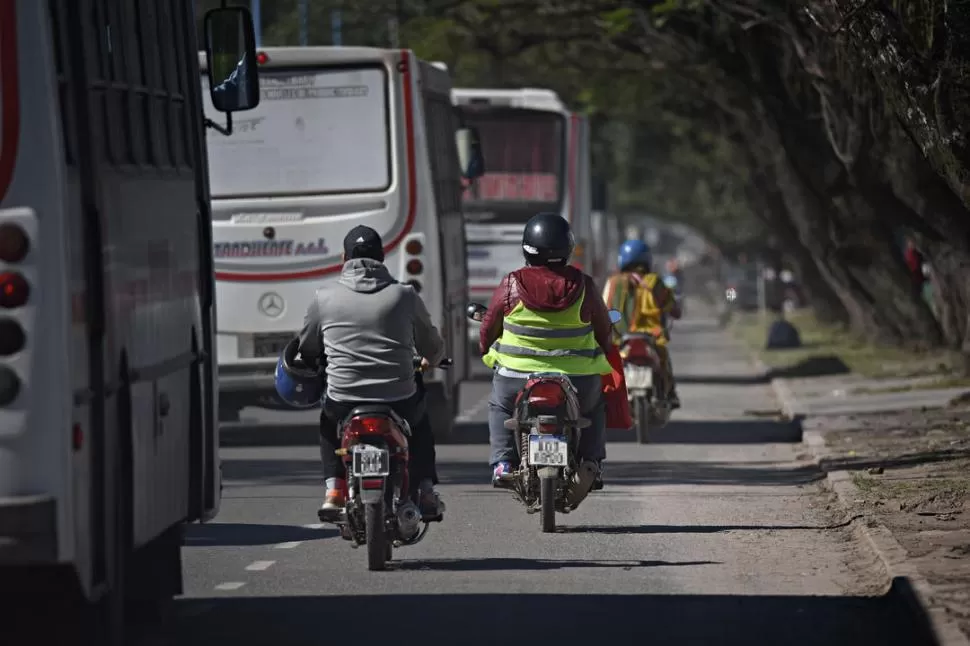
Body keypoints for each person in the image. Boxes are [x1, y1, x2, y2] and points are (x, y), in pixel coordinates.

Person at [297, 225, 446, 523]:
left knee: (328, 425)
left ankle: (334, 491)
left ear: (344, 257)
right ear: (381, 258)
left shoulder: (323, 297)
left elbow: (307, 346)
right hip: (398, 396)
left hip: (344, 397)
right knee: (420, 426)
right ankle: (427, 491)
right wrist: (433, 359)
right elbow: (431, 344)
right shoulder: (404, 295)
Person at [478, 212, 614, 492]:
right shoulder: (584, 285)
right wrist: (606, 348)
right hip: (577, 379)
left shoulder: (511, 284)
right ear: (567, 248)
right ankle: (591, 462)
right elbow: (604, 330)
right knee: (594, 407)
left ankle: (503, 463)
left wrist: (486, 349)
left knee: (500, 406)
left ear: (527, 249)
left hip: (515, 377)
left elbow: (489, 327)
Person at [602, 239, 682, 409]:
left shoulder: (613, 282)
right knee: (664, 360)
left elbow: (604, 309)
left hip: (620, 339)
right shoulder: (654, 282)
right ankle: (670, 393)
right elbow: (672, 306)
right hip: (650, 336)